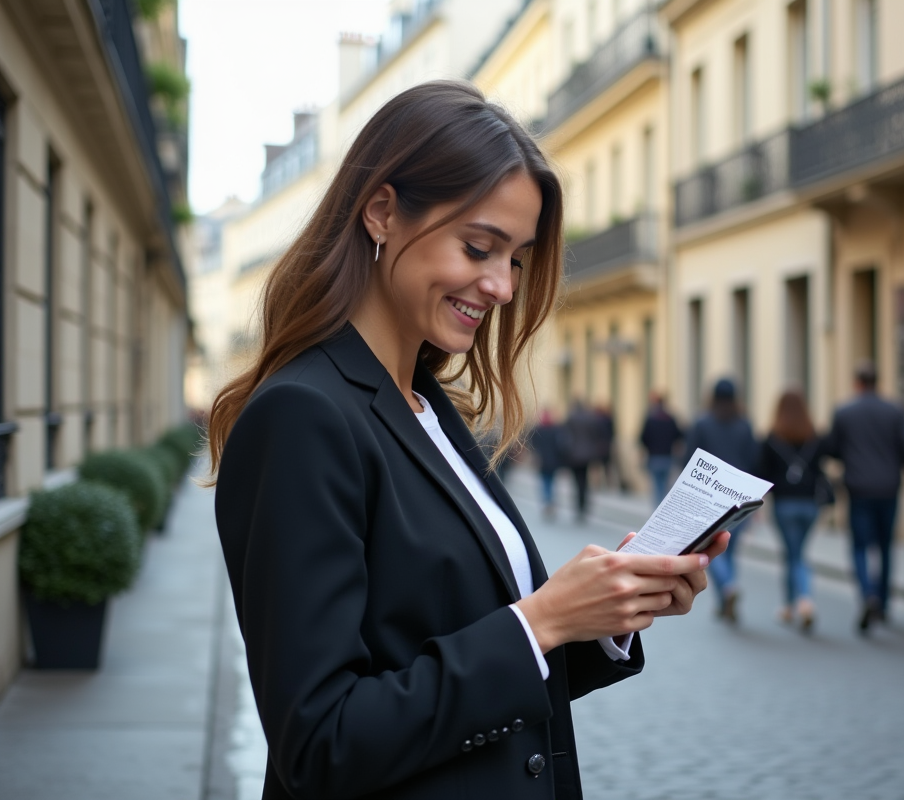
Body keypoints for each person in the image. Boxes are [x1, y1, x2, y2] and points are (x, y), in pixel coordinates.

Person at [206, 82, 726, 800]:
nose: (503, 286)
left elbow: (474, 665)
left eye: (515, 259)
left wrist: (602, 615)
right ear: (382, 212)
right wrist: (539, 620)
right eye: (479, 248)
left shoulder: (427, 407)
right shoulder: (303, 415)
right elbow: (321, 742)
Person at [815, 360, 904, 633]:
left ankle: (867, 595)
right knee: (885, 547)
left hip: (859, 488)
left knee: (860, 547)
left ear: (857, 383)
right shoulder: (894, 410)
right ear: (877, 382)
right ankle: (883, 604)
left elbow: (831, 448)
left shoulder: (844, 412)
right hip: (888, 488)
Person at [684, 378, 758, 622]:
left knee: (713, 548)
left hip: (710, 496)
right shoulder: (744, 425)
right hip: (741, 497)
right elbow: (754, 460)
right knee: (730, 548)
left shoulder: (702, 423)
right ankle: (727, 593)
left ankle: (727, 587)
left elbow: (690, 459)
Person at [756, 389, 829, 633]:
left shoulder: (771, 439)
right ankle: (790, 606)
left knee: (793, 555)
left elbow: (762, 474)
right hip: (810, 505)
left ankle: (804, 600)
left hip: (784, 505)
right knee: (796, 554)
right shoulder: (814, 438)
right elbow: (820, 470)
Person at [639, 392, 683, 505]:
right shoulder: (670, 418)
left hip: (654, 456)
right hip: (667, 456)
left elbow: (643, 438)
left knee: (657, 485)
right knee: (665, 485)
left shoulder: (651, 418)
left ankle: (658, 507)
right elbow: (679, 434)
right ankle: (663, 506)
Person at [563, 399, 603, 522]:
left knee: (577, 482)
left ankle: (579, 506)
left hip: (574, 455)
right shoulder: (589, 418)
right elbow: (595, 436)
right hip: (586, 455)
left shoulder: (571, 418)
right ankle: (584, 505)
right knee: (584, 481)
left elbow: (565, 436)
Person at [528, 409, 563, 518]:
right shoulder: (555, 429)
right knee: (551, 481)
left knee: (545, 481)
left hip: (542, 461)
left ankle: (547, 501)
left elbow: (532, 444)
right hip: (553, 461)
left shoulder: (538, 430)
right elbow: (560, 445)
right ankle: (550, 500)